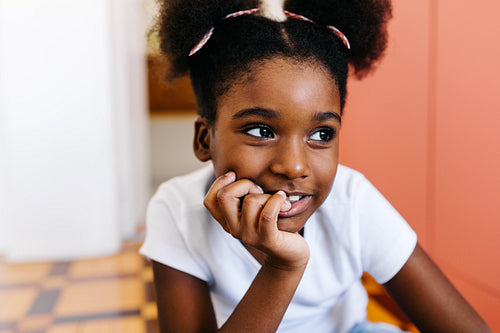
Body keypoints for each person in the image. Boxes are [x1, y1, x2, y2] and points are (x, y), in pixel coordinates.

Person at [140, 0, 491, 332]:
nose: (294, 166)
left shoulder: (352, 201)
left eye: (322, 134)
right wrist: (283, 267)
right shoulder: (175, 211)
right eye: (261, 131)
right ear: (205, 140)